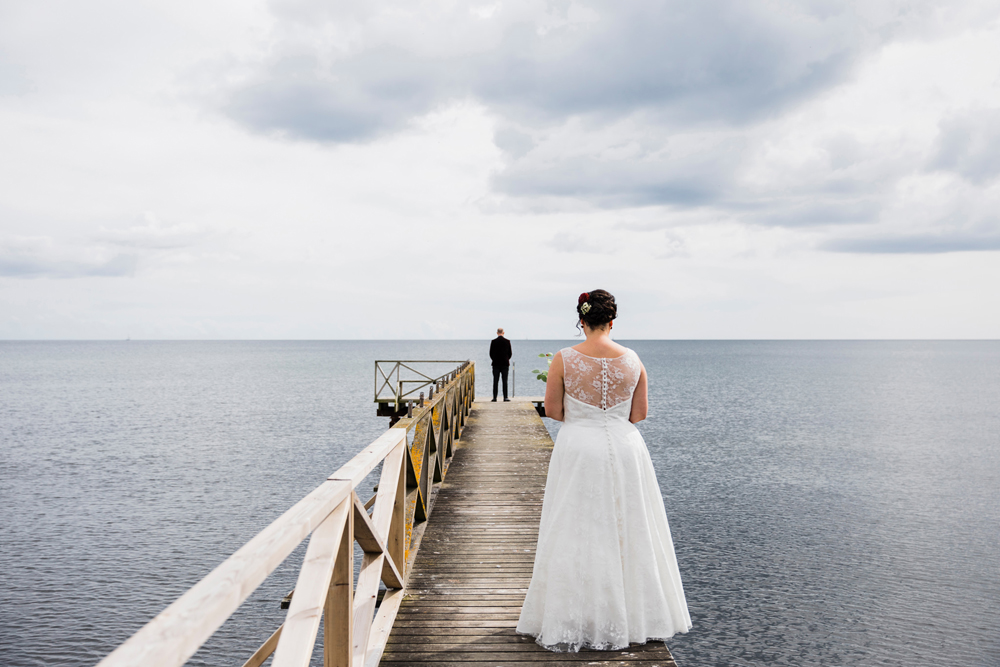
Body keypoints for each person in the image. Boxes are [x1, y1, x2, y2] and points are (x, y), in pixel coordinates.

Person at [516, 290, 691, 651]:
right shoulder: (633, 359)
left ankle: (573, 617)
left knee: (575, 526)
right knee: (631, 527)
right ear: (612, 321)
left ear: (581, 321)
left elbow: (552, 409)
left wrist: (584, 419)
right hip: (626, 448)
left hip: (579, 446)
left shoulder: (564, 359)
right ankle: (633, 617)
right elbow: (639, 414)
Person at [489, 327, 512, 402]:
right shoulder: (507, 341)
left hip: (495, 364)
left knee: (495, 381)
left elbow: (491, 353)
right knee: (505, 381)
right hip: (505, 364)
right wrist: (506, 359)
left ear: (497, 333)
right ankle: (505, 397)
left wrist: (494, 359)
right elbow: (510, 353)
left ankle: (494, 397)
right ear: (503, 332)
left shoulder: (493, 341)